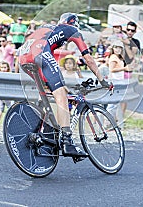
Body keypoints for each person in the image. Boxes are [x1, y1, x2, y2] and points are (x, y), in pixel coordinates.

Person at [19, 12, 108, 157]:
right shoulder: (72, 30)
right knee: (61, 96)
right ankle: (67, 141)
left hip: (23, 57)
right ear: (74, 23)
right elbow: (88, 58)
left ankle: (46, 128)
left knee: (50, 93)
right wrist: (102, 79)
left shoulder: (50, 28)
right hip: (40, 53)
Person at [106, 40, 131, 128]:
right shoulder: (113, 57)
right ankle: (108, 122)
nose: (118, 49)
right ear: (113, 48)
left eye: (120, 48)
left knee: (115, 103)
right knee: (112, 103)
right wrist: (124, 69)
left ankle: (111, 121)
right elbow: (111, 69)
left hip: (118, 81)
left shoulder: (118, 57)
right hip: (115, 81)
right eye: (116, 47)